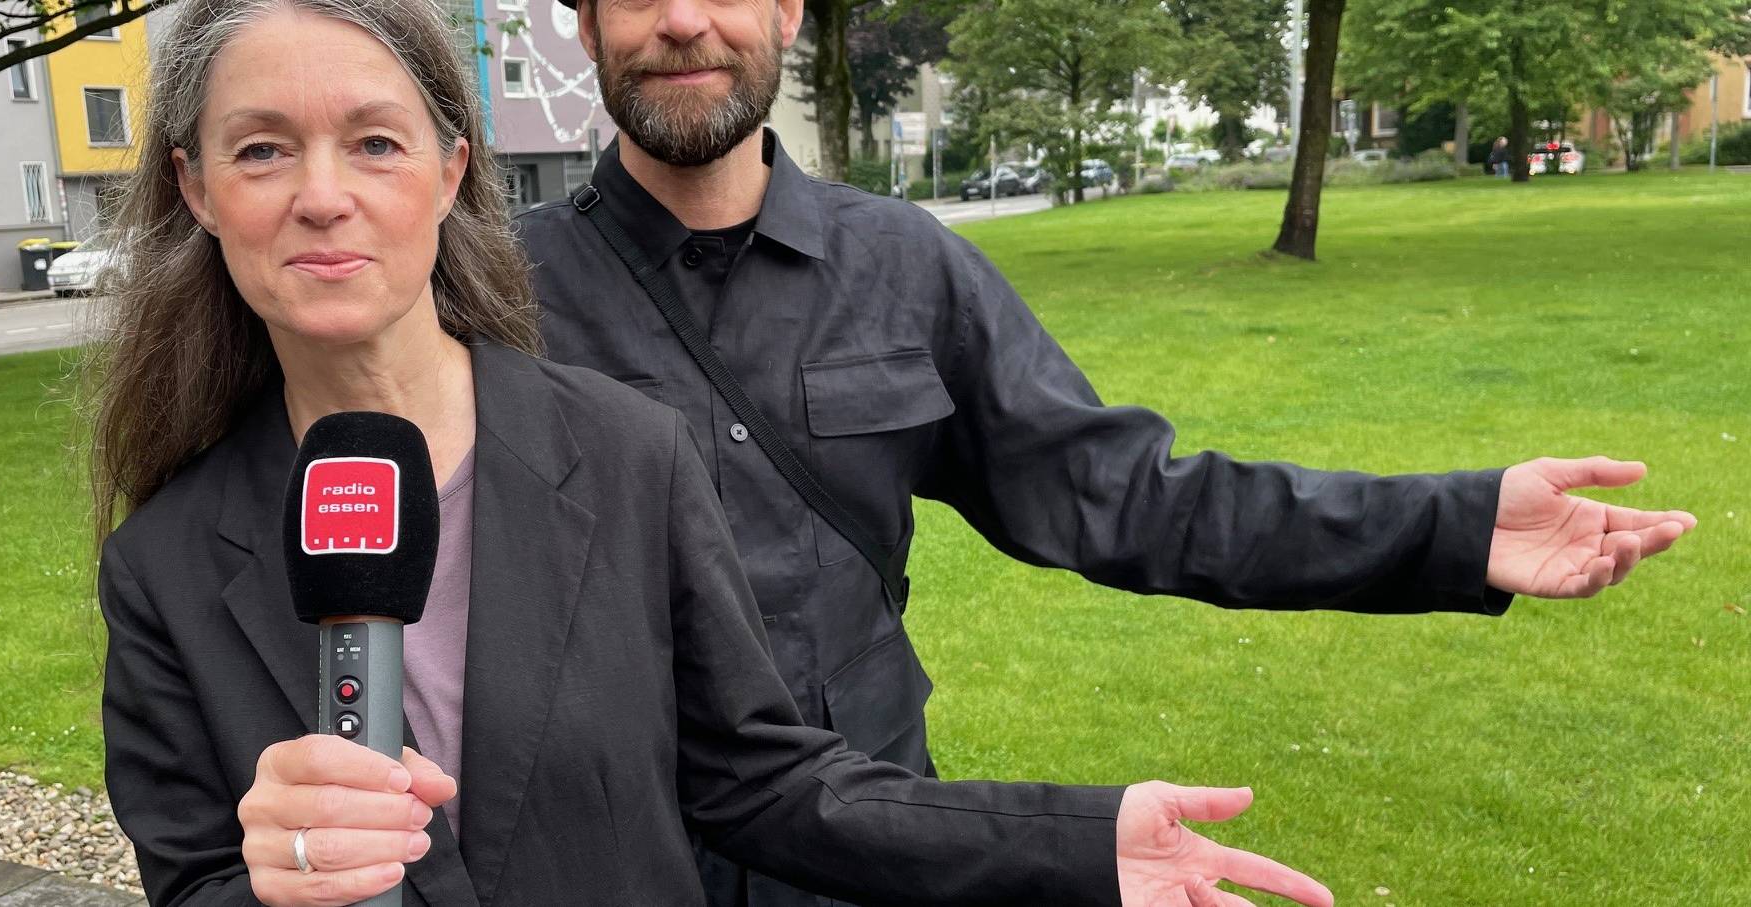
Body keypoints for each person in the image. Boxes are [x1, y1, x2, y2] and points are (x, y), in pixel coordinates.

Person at [90, 1, 1345, 905]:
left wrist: (1068, 845)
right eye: (262, 149)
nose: (321, 194)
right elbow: (190, 878)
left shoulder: (624, 450)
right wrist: (275, 879)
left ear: (450, 171)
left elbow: (763, 781)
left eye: (375, 141)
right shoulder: (162, 566)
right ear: (198, 190)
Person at [515, 0, 1695, 904]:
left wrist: (1452, 526)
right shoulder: (494, 299)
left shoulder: (903, 269)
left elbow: (1129, 496)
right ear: (584, 24)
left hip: (874, 851)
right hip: (602, 856)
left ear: (787, 12)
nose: (682, 20)